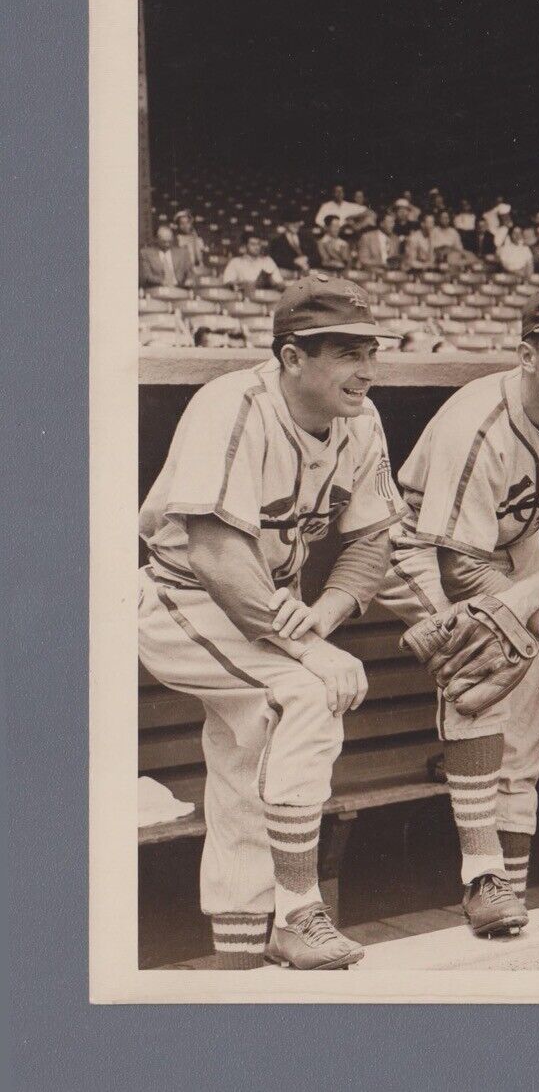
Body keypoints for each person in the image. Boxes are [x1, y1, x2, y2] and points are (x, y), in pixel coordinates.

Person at [137, 277, 405, 969]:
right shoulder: (232, 406)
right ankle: (296, 912)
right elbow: (214, 554)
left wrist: (329, 610)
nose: (366, 370)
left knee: (252, 748)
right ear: (292, 357)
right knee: (307, 694)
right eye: (346, 353)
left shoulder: (362, 420)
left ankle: (240, 947)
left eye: (370, 351)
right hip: (181, 598)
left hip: (266, 605)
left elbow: (373, 538)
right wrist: (308, 644)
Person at [374, 279, 539, 935]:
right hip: (414, 548)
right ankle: (481, 872)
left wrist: (530, 605)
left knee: (528, 693)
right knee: (478, 656)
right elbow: (460, 569)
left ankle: (509, 892)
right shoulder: (478, 423)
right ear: (526, 354)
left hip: (511, 547)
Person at [140, 224, 195, 289]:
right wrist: (164, 282)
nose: (167, 244)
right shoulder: (146, 253)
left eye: (169, 241)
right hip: (157, 289)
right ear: (156, 239)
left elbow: (190, 272)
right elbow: (146, 275)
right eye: (164, 242)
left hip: (179, 288)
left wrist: (189, 279)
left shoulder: (183, 253)